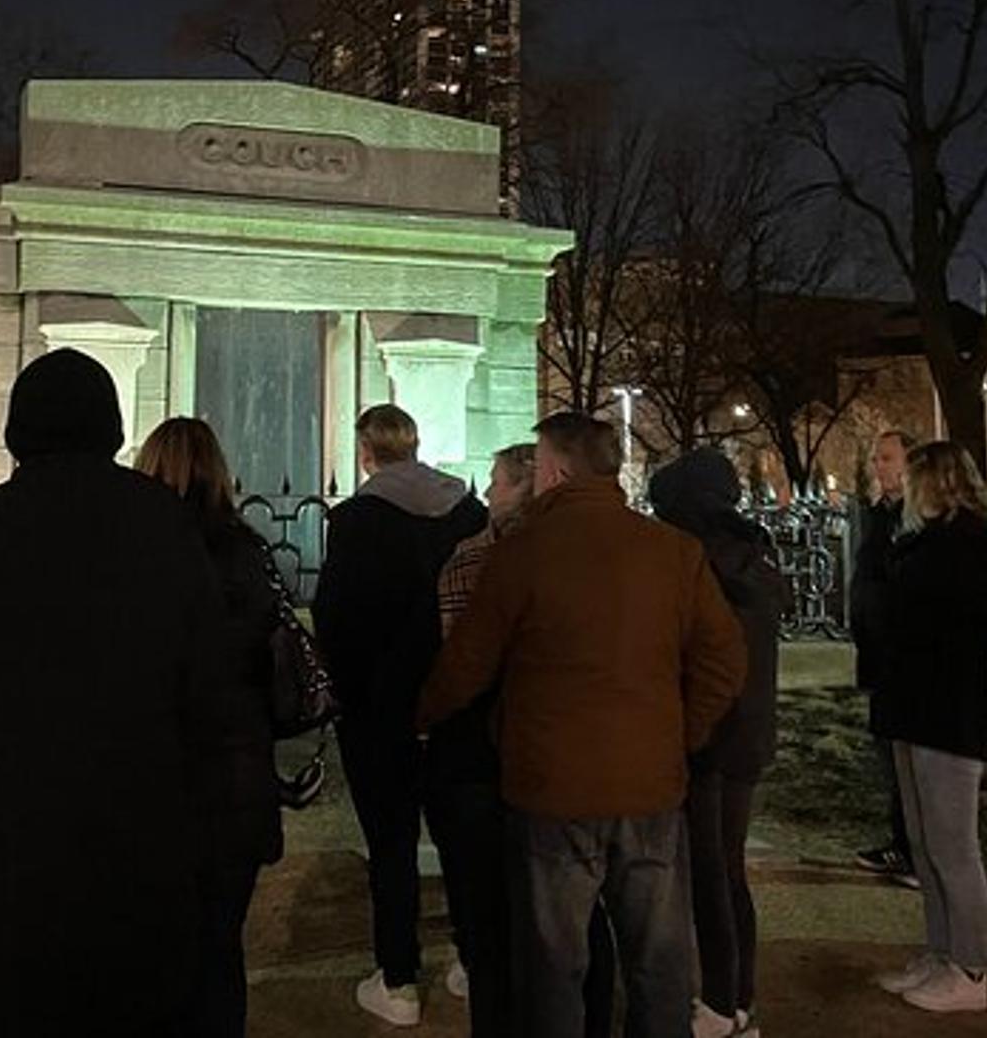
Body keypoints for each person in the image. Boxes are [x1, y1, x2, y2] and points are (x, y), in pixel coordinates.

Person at [0, 350, 222, 1037]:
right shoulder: (166, 527)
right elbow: (209, 698)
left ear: (19, 431)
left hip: (5, 845)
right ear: (111, 427)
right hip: (140, 842)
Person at [419, 412, 747, 1038]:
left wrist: (424, 714)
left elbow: (468, 659)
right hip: (648, 785)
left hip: (553, 789)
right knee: (658, 962)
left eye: (539, 467)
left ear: (556, 471)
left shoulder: (523, 553)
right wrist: (682, 733)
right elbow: (724, 659)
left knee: (554, 965)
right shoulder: (671, 551)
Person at [313, 403, 488, 1026]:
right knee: (461, 840)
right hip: (456, 705)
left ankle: (398, 978)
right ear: (415, 445)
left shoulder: (357, 520)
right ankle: (472, 959)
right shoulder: (467, 511)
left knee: (390, 845)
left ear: (366, 451)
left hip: (379, 710)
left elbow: (335, 620)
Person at [136, 416, 285, 1038]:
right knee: (220, 948)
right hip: (233, 776)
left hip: (150, 780)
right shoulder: (247, 550)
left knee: (146, 951)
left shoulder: (131, 551)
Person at [645, 448, 786, 1038]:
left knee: (707, 872)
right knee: (727, 870)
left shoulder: (691, 564)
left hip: (705, 736)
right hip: (748, 734)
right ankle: (739, 997)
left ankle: (721, 1003)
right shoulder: (755, 559)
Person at [870, 442, 987, 1015]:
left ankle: (972, 965)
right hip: (915, 707)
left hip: (947, 714)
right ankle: (942, 948)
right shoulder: (926, 546)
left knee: (953, 846)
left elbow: (916, 614)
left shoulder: (967, 550)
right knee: (926, 845)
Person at [425, 441, 537, 1038]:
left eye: (498, 481)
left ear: (527, 484)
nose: (488, 491)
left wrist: (428, 715)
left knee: (485, 900)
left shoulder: (476, 557)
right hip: (555, 749)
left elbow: (459, 660)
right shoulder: (586, 553)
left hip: (481, 746)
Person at [850, 430, 916, 885]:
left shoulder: (913, 521)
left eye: (888, 458)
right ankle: (902, 842)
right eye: (876, 458)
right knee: (891, 758)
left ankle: (914, 850)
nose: (879, 466)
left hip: (903, 658)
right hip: (881, 658)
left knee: (909, 762)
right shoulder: (880, 516)